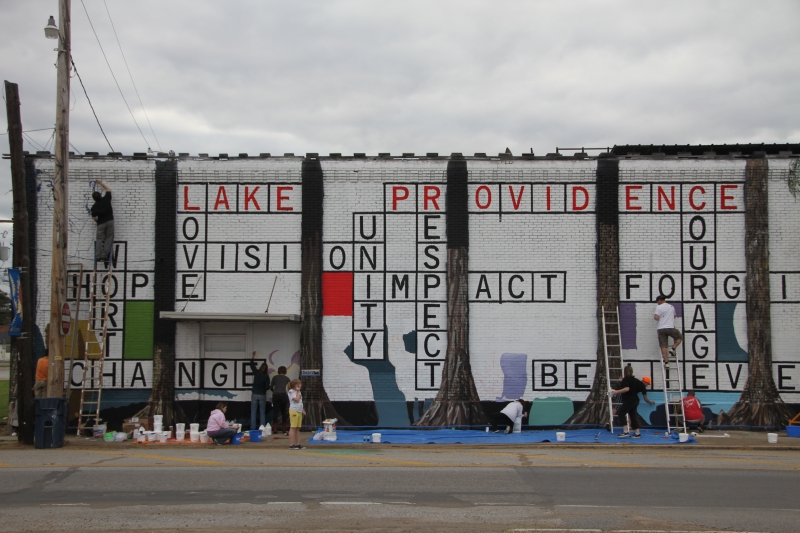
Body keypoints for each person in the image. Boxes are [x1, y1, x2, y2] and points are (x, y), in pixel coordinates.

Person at [610, 365, 654, 438]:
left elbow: (627, 389)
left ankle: (625, 431)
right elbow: (645, 397)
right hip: (635, 400)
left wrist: (616, 391)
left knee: (621, 414)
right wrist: (650, 402)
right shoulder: (636, 381)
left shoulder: (626, 380)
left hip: (629, 400)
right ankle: (637, 433)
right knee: (633, 416)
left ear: (624, 372)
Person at [90, 180, 114, 267]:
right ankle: (104, 255)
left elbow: (94, 218)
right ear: (100, 195)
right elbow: (108, 189)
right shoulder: (106, 199)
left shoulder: (94, 206)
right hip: (110, 221)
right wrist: (100, 183)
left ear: (94, 199)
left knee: (100, 239)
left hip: (101, 223)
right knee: (108, 238)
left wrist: (98, 221)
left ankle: (98, 256)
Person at [654, 295, 682, 363]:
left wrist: (660, 317)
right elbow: (674, 316)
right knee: (680, 338)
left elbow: (656, 317)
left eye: (657, 301)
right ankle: (673, 348)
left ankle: (666, 362)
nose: (657, 303)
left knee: (663, 345)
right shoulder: (671, 307)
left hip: (661, 328)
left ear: (660, 300)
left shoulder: (659, 307)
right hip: (670, 327)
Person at [248, 351, 271, 430]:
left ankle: (253, 427)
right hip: (262, 395)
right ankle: (262, 428)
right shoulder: (266, 376)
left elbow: (252, 366)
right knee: (262, 411)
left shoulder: (257, 373)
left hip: (254, 393)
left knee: (253, 411)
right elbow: (267, 387)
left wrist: (253, 357)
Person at [271, 366, 291, 436]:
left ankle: (275, 429)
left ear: (278, 371)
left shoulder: (274, 377)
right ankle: (284, 429)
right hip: (283, 395)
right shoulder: (287, 378)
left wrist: (275, 391)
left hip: (276, 395)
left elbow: (271, 387)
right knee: (283, 412)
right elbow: (289, 387)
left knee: (275, 412)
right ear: (285, 371)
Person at [287, 379, 306, 450]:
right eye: (298, 384)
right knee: (293, 427)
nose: (300, 385)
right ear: (295, 385)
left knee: (297, 428)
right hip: (293, 410)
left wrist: (302, 410)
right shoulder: (291, 391)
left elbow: (300, 402)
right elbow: (297, 399)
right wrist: (298, 391)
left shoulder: (298, 392)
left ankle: (298, 444)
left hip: (299, 410)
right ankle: (291, 444)